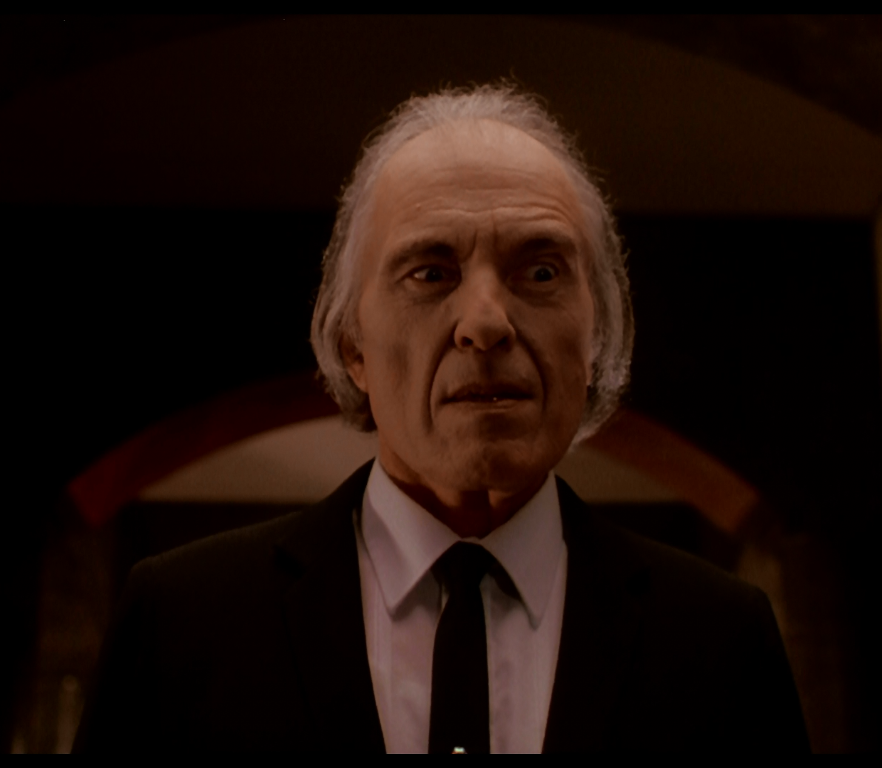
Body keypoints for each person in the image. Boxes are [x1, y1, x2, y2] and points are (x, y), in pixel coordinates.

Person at [74, 82, 809, 753]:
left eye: (541, 271)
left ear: (597, 336)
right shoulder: (181, 621)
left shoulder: (723, 638)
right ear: (352, 345)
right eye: (430, 272)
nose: (485, 324)